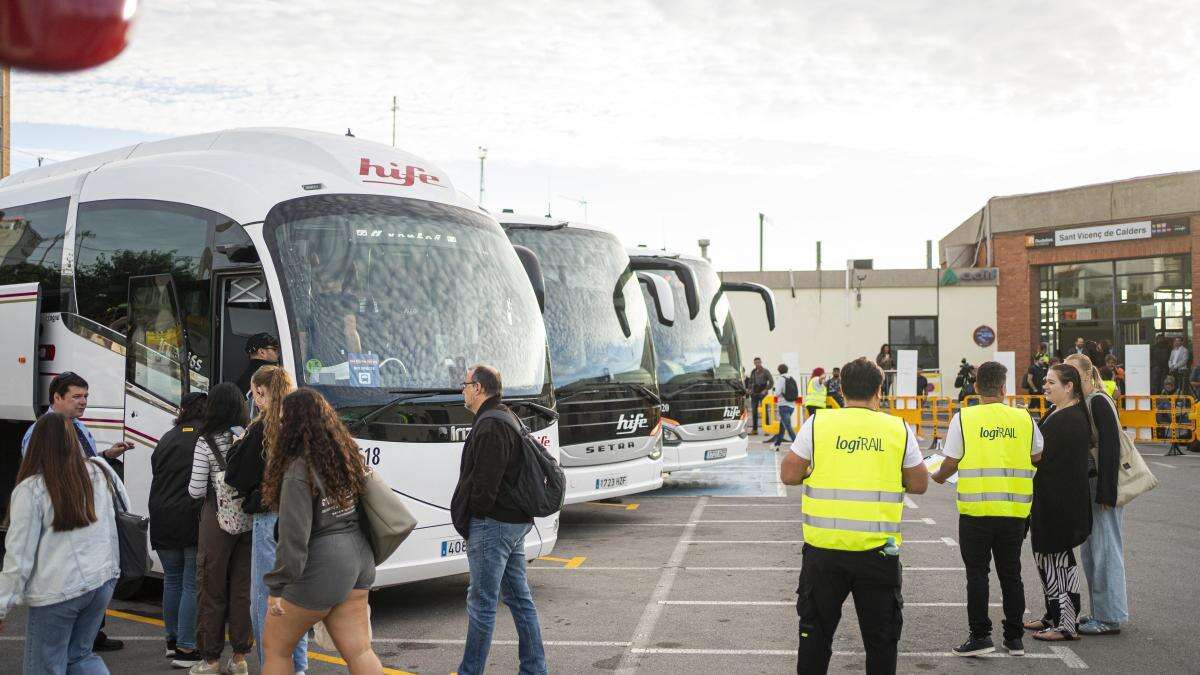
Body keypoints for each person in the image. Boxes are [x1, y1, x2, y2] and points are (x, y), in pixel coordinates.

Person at [780, 357, 929, 674]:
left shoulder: (819, 423)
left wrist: (817, 469)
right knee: (881, 640)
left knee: (815, 636)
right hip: (878, 553)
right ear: (879, 390)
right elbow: (918, 484)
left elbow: (789, 475)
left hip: (824, 551)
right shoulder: (897, 428)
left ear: (842, 389)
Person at [260, 389, 381, 675]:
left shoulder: (297, 470)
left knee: (276, 648)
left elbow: (293, 538)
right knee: (360, 651)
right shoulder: (343, 455)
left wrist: (277, 587)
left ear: (291, 425)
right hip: (359, 557)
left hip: (323, 563)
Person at [930, 361, 1043, 657]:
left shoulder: (964, 418)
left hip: (976, 513)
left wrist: (939, 476)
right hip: (1014, 512)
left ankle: (980, 637)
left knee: (977, 575)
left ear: (977, 387)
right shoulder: (1023, 417)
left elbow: (951, 460)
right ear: (1004, 388)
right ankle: (1014, 639)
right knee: (1011, 574)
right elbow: (1038, 453)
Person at [0, 413, 125, 673]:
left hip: (56, 591)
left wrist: (2, 605)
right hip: (101, 580)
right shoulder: (100, 471)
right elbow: (122, 513)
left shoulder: (31, 489)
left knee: (44, 666)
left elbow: (18, 558)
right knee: (79, 657)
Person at [20, 372, 132, 653]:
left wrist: (107, 456)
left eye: (86, 397)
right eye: (76, 397)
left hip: (86, 527)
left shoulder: (79, 427)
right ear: (57, 398)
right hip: (63, 529)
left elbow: (85, 465)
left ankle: (93, 635)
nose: (83, 403)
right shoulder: (40, 433)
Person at [450, 365, 547, 675]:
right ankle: (534, 669)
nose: (462, 390)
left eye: (464, 384)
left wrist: (474, 515)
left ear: (478, 388)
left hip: (494, 524)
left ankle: (470, 671)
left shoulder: (491, 425)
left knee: (481, 604)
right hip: (513, 523)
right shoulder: (505, 416)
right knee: (519, 598)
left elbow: (485, 484)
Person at [223, 366, 310, 673]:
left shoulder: (261, 430)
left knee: (265, 600)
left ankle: (274, 667)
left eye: (254, 393)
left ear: (260, 392)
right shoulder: (304, 426)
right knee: (294, 598)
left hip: (270, 520)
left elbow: (236, 475)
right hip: (302, 520)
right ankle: (297, 668)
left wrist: (238, 444)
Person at [187, 383, 253, 675]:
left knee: (211, 588)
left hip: (217, 520)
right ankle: (239, 658)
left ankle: (211, 660)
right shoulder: (250, 436)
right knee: (243, 590)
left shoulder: (205, 442)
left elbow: (196, 489)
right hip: (250, 521)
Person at [1025, 364, 1092, 642]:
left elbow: (1040, 455)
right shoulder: (1059, 412)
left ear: (1069, 387)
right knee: (1049, 559)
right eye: (1045, 381)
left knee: (1058, 561)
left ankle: (1067, 624)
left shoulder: (1069, 418)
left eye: (1052, 382)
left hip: (1061, 502)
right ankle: (1054, 614)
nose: (1045, 386)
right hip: (1051, 499)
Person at [1064, 354, 1129, 636]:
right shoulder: (1087, 401)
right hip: (1091, 488)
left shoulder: (1099, 400)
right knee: (1092, 553)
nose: (1070, 378)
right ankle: (1100, 612)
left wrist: (1106, 492)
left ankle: (1111, 616)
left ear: (1088, 375)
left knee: (1105, 552)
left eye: (1074, 373)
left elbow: (1111, 447)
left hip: (1102, 488)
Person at [149, 392, 208, 668]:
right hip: (191, 517)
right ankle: (187, 648)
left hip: (162, 516)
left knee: (171, 580)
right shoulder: (205, 439)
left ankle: (172, 641)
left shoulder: (167, 437)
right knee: (189, 583)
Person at [768, 364, 797, 450]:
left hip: (783, 405)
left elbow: (777, 393)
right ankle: (777, 445)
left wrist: (774, 390)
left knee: (788, 426)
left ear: (779, 371)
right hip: (792, 405)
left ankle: (797, 445)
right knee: (782, 426)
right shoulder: (791, 378)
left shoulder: (781, 379)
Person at [746, 357, 774, 435]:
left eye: (758, 362)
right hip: (754, 394)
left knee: (765, 412)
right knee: (754, 412)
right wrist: (749, 389)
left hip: (763, 394)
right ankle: (755, 430)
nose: (757, 364)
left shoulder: (766, 371)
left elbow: (771, 382)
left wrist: (766, 389)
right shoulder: (753, 372)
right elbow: (750, 382)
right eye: (756, 362)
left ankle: (767, 430)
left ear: (761, 362)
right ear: (754, 363)